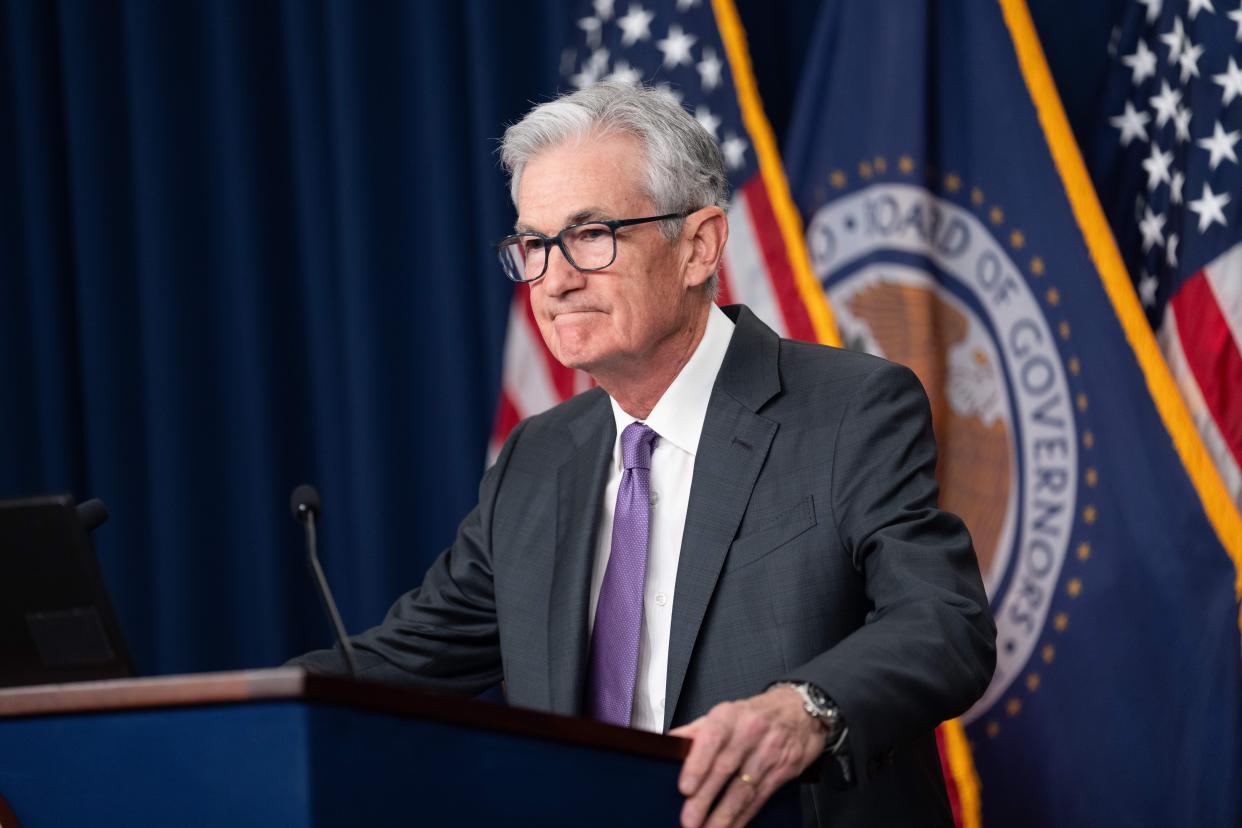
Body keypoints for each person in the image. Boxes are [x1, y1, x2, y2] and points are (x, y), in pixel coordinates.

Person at [291, 81, 996, 828]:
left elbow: (942, 623)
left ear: (698, 247)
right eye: (533, 245)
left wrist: (803, 711)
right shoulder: (540, 458)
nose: (555, 280)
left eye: (591, 235)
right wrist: (185, 718)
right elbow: (396, 664)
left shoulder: (848, 408)